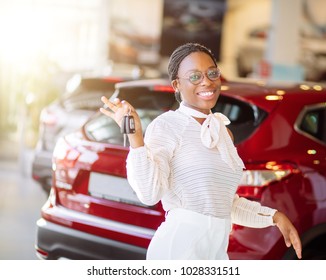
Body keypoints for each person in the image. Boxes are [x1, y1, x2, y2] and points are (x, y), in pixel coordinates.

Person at [100, 42, 302, 260]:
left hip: (216, 253)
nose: (207, 81)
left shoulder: (223, 132)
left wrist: (274, 216)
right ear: (177, 84)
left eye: (212, 73)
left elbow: (224, 204)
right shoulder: (167, 125)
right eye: (195, 76)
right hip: (177, 251)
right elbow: (149, 194)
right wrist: (135, 136)